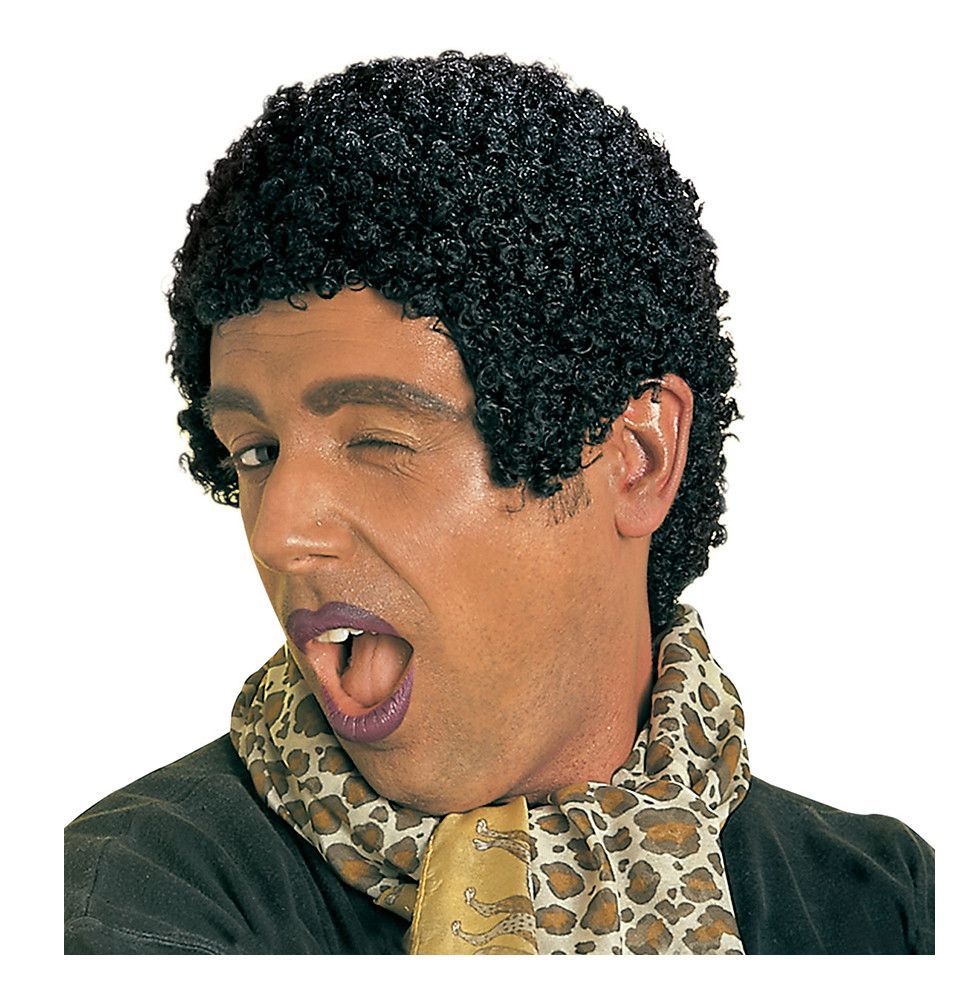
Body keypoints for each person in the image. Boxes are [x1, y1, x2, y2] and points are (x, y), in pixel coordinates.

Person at [63, 50, 934, 955]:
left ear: (636, 459)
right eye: (255, 451)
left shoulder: (893, 910)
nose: (279, 531)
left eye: (378, 440)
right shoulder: (126, 906)